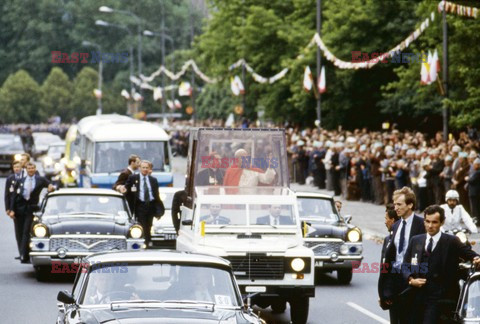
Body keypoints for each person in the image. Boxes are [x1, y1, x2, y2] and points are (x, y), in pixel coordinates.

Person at [403, 205, 480, 323]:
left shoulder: (451, 241)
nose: (430, 226)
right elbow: (405, 265)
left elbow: (471, 254)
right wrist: (411, 280)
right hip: (416, 296)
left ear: (442, 222)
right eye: (427, 221)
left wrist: (477, 259)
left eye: (434, 222)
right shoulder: (416, 240)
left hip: (438, 298)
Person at [381, 186, 425, 323]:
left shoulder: (422, 224)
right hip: (395, 279)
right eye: (394, 204)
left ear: (410, 205)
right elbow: (390, 257)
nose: (396, 208)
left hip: (412, 279)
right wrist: (384, 291)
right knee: (395, 319)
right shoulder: (396, 225)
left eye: (399, 204)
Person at [8, 162, 55, 263]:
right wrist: (11, 210)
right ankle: (22, 252)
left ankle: (24, 255)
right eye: (29, 168)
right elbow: (13, 197)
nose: (31, 170)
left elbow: (50, 184)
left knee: (26, 231)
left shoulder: (40, 179)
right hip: (19, 209)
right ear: (26, 170)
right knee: (20, 232)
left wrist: (51, 187)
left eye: (32, 168)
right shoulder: (21, 180)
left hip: (31, 209)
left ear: (35, 169)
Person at [120, 160, 165, 247]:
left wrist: (158, 210)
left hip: (150, 206)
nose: (145, 169)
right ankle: (145, 243)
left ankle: (148, 242)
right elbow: (126, 189)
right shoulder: (133, 178)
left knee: (149, 225)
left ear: (149, 169)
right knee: (142, 225)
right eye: (143, 167)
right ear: (140, 168)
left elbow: (156, 195)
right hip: (140, 206)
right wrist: (122, 189)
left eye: (147, 168)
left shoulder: (153, 180)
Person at [378, 203, 400, 313]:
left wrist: (388, 293)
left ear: (392, 220)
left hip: (396, 293)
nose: (385, 222)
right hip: (388, 293)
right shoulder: (387, 239)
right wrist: (383, 294)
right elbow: (384, 269)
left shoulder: (399, 240)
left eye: (386, 219)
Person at [5, 161, 23, 259]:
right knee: (18, 232)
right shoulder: (10, 178)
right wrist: (7, 208)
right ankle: (21, 252)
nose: (16, 168)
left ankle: (25, 252)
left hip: (23, 207)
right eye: (15, 166)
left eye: (18, 166)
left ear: (21, 167)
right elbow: (7, 194)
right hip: (14, 208)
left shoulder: (24, 177)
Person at [467, 158, 480, 225]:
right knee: (474, 207)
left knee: (475, 208)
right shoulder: (475, 172)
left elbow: (471, 180)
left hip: (475, 192)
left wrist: (467, 179)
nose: (474, 166)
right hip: (473, 192)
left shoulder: (478, 172)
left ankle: (477, 221)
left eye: (475, 165)